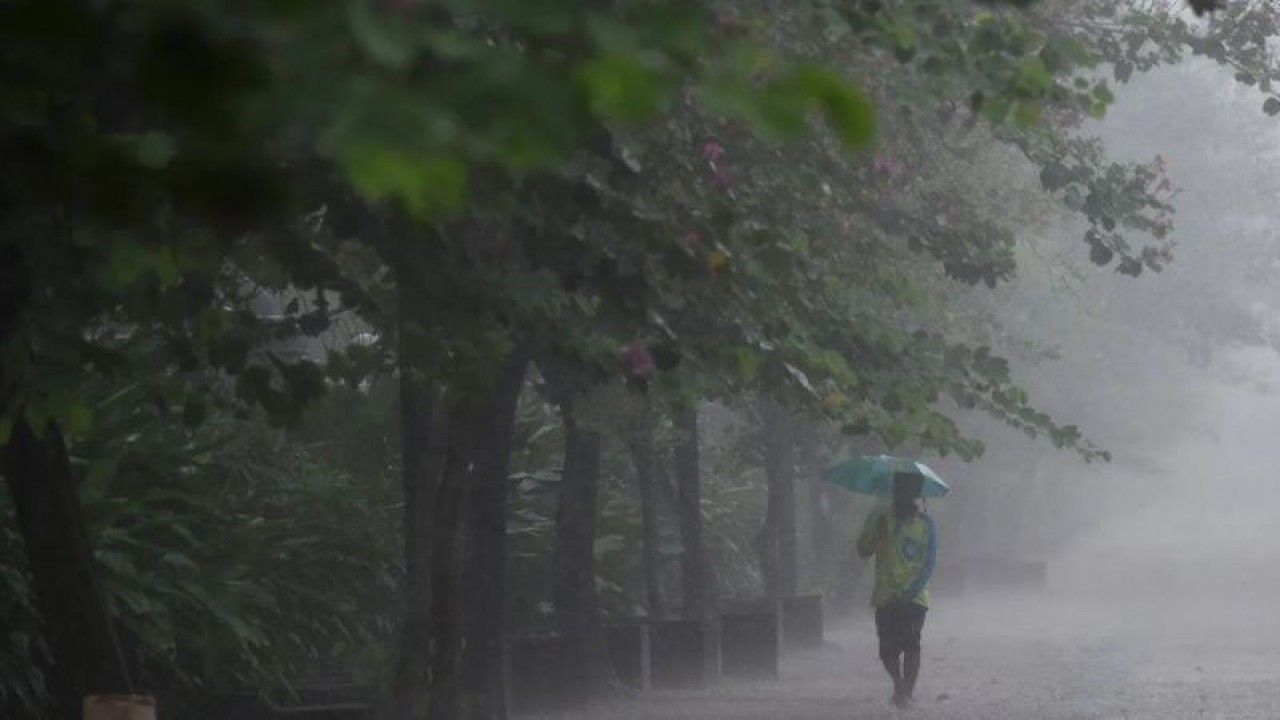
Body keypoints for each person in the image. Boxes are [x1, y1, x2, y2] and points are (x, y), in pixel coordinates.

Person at [856, 472, 938, 708]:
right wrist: (875, 530)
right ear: (895, 494)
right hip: (885, 595)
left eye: (910, 494)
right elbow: (863, 550)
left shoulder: (926, 524)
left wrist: (910, 592)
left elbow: (929, 564)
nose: (905, 498)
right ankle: (899, 686)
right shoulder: (881, 519)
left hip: (915, 596)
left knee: (912, 644)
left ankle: (907, 693)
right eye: (901, 493)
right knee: (886, 648)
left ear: (917, 496)